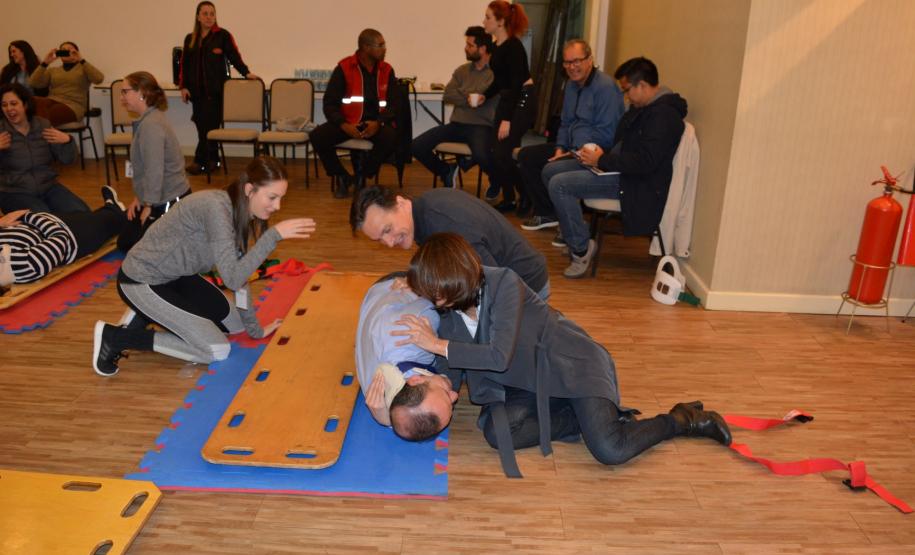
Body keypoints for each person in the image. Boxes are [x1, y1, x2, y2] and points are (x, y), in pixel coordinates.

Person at [388, 233, 731, 477]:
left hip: (570, 365)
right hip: (524, 382)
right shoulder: (446, 310)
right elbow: (455, 366)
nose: (432, 301)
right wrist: (437, 382)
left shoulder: (503, 283)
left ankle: (683, 419)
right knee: (497, 433)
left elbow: (497, 357)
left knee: (611, 450)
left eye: (434, 291)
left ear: (452, 282)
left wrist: (434, 344)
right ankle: (581, 416)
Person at [91, 156, 315, 377]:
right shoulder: (217, 210)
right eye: (273, 197)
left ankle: (146, 314)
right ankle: (116, 337)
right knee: (216, 350)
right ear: (249, 190)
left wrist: (255, 330)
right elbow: (233, 280)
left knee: (237, 325)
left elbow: (240, 275)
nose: (277, 206)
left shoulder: (240, 212)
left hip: (176, 277)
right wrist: (273, 236)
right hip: (142, 280)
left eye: (281, 198)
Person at [551, 57, 687, 278]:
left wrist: (601, 161)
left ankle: (581, 249)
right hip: (622, 172)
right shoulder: (644, 108)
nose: (625, 96)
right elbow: (625, 144)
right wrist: (600, 157)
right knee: (554, 171)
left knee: (560, 185)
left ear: (642, 85)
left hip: (635, 184)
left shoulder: (663, 116)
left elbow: (645, 162)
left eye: (627, 90)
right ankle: (577, 235)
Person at [350, 185, 550, 300]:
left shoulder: (444, 223)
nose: (390, 242)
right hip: (507, 279)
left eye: (387, 230)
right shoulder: (423, 211)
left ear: (400, 203)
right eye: (380, 240)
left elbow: (493, 287)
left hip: (525, 288)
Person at [517, 39, 623, 233]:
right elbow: (565, 123)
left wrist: (574, 152)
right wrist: (560, 148)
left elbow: (607, 134)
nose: (572, 67)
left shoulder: (606, 88)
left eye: (577, 61)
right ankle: (549, 214)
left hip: (595, 152)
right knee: (527, 157)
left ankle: (571, 226)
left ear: (589, 60)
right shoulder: (571, 86)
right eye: (567, 62)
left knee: (553, 169)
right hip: (572, 147)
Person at [310, 28, 400, 199]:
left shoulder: (387, 70)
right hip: (349, 122)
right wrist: (343, 125)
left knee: (390, 137)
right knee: (317, 136)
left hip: (375, 123)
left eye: (384, 45)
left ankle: (363, 176)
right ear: (366, 47)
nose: (384, 48)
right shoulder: (344, 68)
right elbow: (329, 103)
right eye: (380, 45)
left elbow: (395, 104)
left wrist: (379, 122)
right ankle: (342, 176)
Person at [356, 274, 452, 427]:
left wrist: (418, 286)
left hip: (393, 283)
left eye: (446, 393)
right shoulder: (380, 394)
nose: (455, 395)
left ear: (416, 380)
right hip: (375, 305)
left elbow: (447, 295)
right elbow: (405, 420)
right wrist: (385, 418)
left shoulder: (418, 325)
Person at [179, 1, 259, 175]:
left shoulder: (223, 36)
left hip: (216, 93)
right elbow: (184, 65)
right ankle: (209, 161)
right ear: (198, 17)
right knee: (202, 127)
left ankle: (204, 161)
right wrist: (183, 87)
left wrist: (246, 73)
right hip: (196, 93)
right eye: (205, 13)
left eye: (212, 14)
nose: (209, 17)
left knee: (211, 128)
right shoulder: (189, 39)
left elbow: (234, 57)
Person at [411, 26, 496, 189]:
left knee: (482, 155)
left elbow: (484, 97)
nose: (466, 48)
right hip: (457, 125)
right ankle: (446, 171)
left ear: (483, 48)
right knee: (416, 145)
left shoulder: (495, 73)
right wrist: (470, 97)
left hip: (482, 127)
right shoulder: (462, 71)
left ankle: (496, 180)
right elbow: (448, 95)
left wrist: (465, 93)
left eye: (470, 45)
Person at [117, 71, 192, 252]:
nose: (122, 97)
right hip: (155, 197)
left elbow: (154, 170)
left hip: (169, 199)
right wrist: (139, 198)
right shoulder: (147, 119)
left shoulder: (151, 125)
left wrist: (148, 205)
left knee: (144, 250)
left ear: (141, 92)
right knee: (126, 243)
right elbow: (142, 167)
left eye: (125, 92)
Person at [0, 187, 125, 291]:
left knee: (86, 214)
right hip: (73, 237)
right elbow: (60, 240)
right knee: (114, 219)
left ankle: (109, 208)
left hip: (50, 222)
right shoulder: (23, 266)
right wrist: (29, 217)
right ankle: (115, 210)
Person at [480, 0, 535, 212]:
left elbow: (515, 84)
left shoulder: (514, 47)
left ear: (501, 22)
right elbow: (501, 81)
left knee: (502, 153)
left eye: (488, 17)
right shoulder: (498, 46)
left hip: (522, 100)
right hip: (509, 99)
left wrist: (507, 120)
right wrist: (485, 96)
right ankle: (510, 198)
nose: (484, 21)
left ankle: (527, 195)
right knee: (496, 152)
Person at [0, 83, 88, 214]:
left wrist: (67, 141)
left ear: (25, 105)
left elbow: (68, 160)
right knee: (44, 220)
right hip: (14, 193)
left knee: (82, 213)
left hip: (49, 187)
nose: (9, 109)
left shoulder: (43, 125)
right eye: (4, 105)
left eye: (13, 103)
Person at [29, 41, 104, 126]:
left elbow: (99, 79)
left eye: (70, 50)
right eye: (63, 50)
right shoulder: (53, 70)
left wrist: (81, 60)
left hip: (73, 105)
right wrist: (45, 62)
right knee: (35, 100)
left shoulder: (83, 68)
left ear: (76, 52)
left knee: (46, 114)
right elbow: (33, 82)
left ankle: (39, 134)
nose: (66, 52)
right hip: (53, 100)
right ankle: (41, 133)